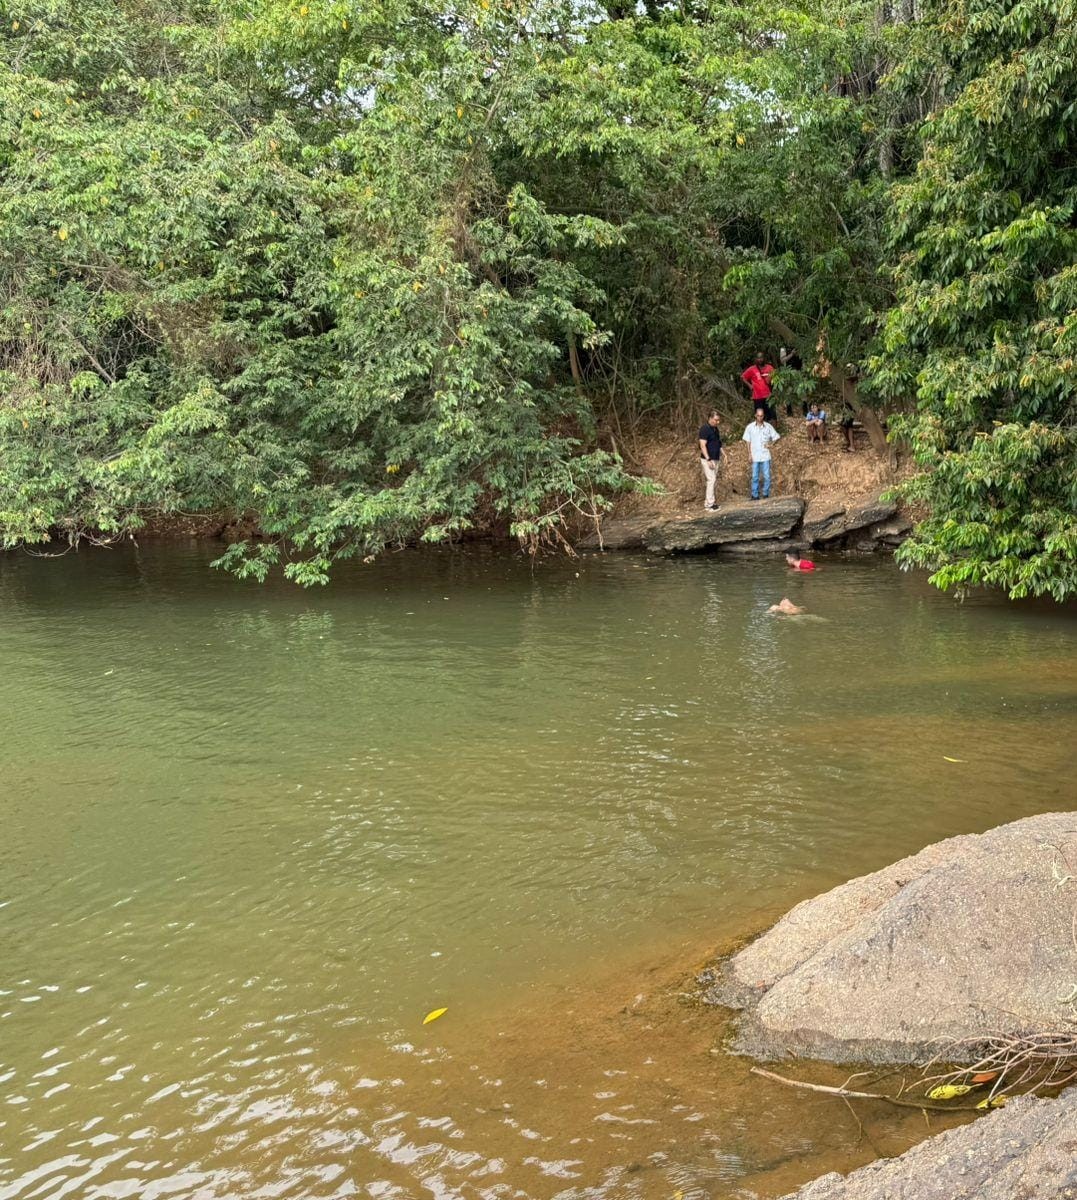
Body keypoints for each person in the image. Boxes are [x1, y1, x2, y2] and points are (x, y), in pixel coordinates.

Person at [742, 407, 780, 500]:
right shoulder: (750, 427)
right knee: (755, 476)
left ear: (763, 416)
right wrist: (749, 454)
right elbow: (748, 441)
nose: (760, 417)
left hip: (765, 455)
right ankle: (755, 495)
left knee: (767, 476)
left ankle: (765, 494)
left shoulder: (768, 426)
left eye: (761, 416)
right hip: (755, 455)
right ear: (755, 415)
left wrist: (770, 444)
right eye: (758, 416)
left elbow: (776, 436)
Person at [697, 410, 724, 511]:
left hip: (716, 457)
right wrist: (708, 459)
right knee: (711, 480)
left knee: (713, 480)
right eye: (716, 420)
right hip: (708, 459)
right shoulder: (704, 429)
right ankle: (709, 505)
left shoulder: (715, 429)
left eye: (718, 420)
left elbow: (718, 443)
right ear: (710, 418)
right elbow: (702, 445)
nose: (718, 422)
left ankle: (709, 501)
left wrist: (724, 453)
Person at [741, 352, 775, 421]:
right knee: (760, 416)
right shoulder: (752, 369)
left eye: (761, 358)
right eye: (758, 358)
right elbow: (742, 377)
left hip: (768, 396)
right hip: (757, 397)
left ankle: (772, 431)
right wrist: (749, 385)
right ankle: (760, 431)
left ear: (764, 358)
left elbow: (776, 378)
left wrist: (771, 381)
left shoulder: (770, 367)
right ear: (756, 359)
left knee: (772, 415)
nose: (760, 360)